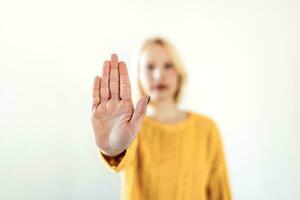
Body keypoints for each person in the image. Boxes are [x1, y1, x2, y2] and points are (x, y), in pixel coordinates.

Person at [91, 37, 232, 200]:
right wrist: (112, 149)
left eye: (168, 66)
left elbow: (220, 192)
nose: (159, 75)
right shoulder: (131, 128)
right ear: (138, 76)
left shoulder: (207, 129)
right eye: (150, 67)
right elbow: (121, 157)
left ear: (179, 73)